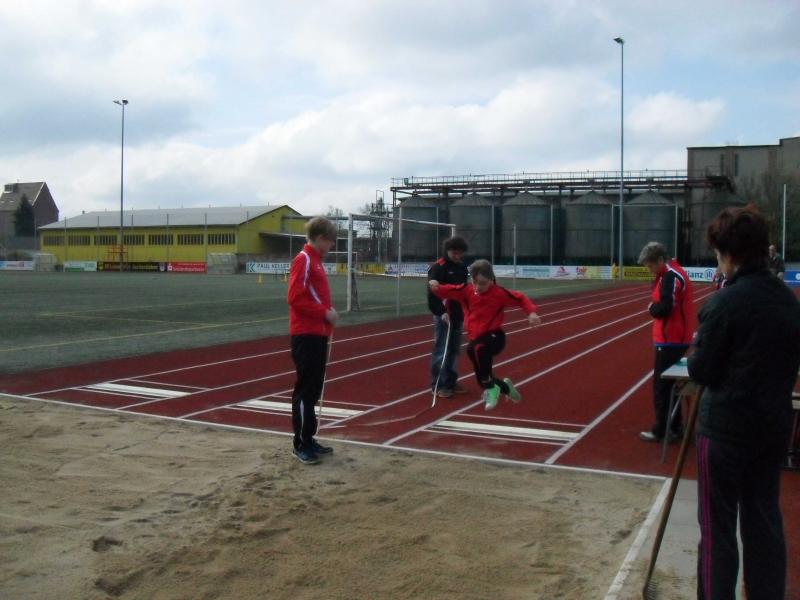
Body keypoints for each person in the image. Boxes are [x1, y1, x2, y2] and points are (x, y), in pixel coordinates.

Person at [688, 204, 800, 600]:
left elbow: (702, 369)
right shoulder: (789, 301)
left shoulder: (724, 303)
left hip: (724, 432)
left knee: (717, 529)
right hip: (771, 428)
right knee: (763, 519)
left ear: (728, 254)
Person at [429, 259, 541, 410]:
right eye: (475, 282)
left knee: (476, 349)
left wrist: (531, 313)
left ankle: (491, 388)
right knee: (482, 377)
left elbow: (520, 298)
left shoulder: (499, 293)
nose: (477, 287)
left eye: (482, 283)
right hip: (476, 339)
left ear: (491, 279)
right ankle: (506, 388)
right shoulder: (466, 291)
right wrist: (436, 286)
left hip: (495, 336)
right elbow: (447, 290)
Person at [286, 216, 339, 465]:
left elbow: (314, 296)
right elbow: (295, 298)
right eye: (331, 241)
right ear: (320, 238)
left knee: (315, 388)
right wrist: (324, 313)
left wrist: (327, 313)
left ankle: (309, 438)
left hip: (318, 333)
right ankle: (300, 443)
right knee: (306, 389)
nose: (332, 245)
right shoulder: (304, 259)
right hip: (305, 334)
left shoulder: (316, 261)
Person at [637, 241, 694, 443]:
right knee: (670, 386)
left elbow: (665, 307)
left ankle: (662, 430)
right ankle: (674, 426)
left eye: (651, 265)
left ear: (661, 260)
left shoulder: (671, 276)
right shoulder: (669, 274)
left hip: (671, 339)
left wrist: (651, 308)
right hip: (674, 338)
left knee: (662, 387)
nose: (650, 270)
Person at [427, 236, 469, 398]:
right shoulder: (438, 267)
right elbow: (432, 294)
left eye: (459, 253)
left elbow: (463, 290)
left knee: (453, 349)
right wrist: (441, 312)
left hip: (457, 314)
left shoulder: (462, 267)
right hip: (443, 314)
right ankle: (437, 385)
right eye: (454, 253)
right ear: (447, 251)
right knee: (441, 350)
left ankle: (450, 381)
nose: (457, 256)